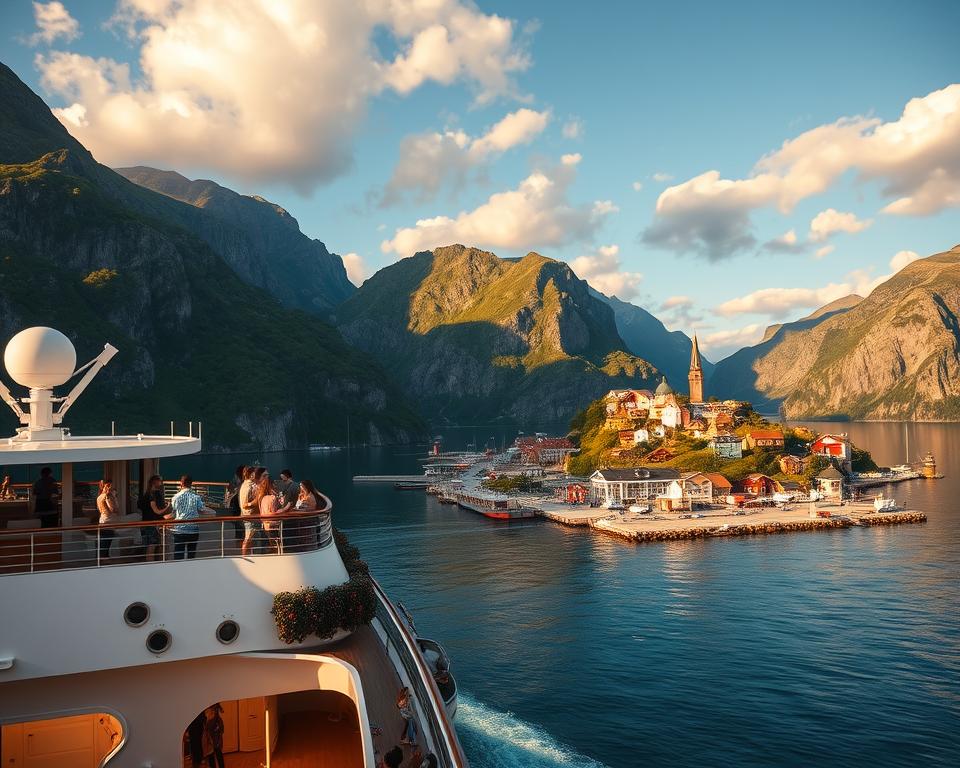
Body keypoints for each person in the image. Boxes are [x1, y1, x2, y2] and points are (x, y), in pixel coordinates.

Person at [163, 475, 214, 560]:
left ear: (181, 483)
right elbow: (202, 510)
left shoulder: (176, 497)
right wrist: (213, 512)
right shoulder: (196, 497)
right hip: (193, 529)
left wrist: (164, 517)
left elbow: (173, 514)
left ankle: (179, 571)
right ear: (191, 484)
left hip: (179, 530)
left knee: (178, 554)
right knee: (191, 556)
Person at [256, 475, 291, 554]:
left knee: (272, 545)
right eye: (275, 484)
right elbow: (274, 514)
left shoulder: (262, 497)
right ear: (272, 485)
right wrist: (285, 507)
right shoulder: (272, 498)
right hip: (273, 526)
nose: (276, 486)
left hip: (266, 526)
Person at [137, 475, 168, 561]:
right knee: (152, 546)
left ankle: (149, 566)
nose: (161, 483)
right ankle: (151, 566)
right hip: (152, 525)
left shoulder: (146, 494)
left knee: (149, 547)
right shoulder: (153, 495)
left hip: (145, 523)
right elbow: (157, 511)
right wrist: (168, 506)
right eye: (160, 481)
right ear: (155, 482)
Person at [96, 479, 120, 562]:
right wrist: (113, 497)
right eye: (108, 486)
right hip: (108, 523)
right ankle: (105, 561)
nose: (110, 487)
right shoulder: (107, 496)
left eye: (111, 485)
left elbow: (100, 510)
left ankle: (103, 561)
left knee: (104, 545)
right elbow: (114, 509)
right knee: (106, 545)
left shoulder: (99, 497)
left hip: (103, 521)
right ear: (104, 486)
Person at [238, 466, 259, 556]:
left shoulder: (246, 484)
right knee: (248, 537)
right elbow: (245, 504)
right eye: (254, 473)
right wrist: (256, 501)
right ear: (251, 475)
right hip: (249, 516)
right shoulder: (247, 486)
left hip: (249, 515)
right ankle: (244, 555)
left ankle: (248, 554)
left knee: (250, 537)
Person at [223, 465, 245, 542]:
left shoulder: (234, 479)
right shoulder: (242, 481)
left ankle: (239, 538)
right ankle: (241, 538)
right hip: (239, 502)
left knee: (237, 521)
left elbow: (230, 489)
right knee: (241, 520)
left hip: (235, 503)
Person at [202, 703, 225, 768]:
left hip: (215, 736)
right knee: (212, 754)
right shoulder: (209, 711)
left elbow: (219, 727)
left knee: (216, 753)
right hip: (211, 736)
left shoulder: (215, 716)